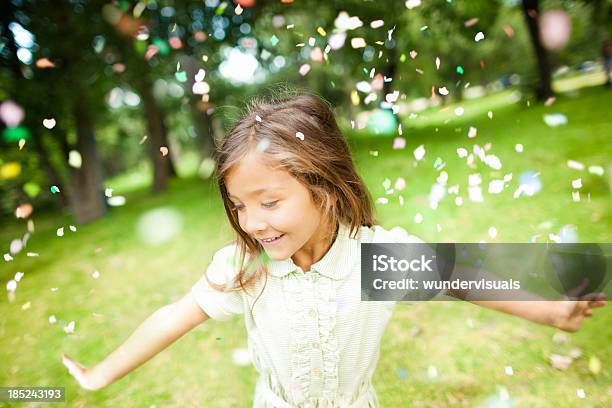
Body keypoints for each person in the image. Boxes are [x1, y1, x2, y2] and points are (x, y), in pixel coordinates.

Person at [62, 92, 607, 407]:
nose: (252, 222)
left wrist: (554, 309)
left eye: (269, 202)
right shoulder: (245, 268)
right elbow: (173, 316)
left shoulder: (375, 259)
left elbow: (467, 277)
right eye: (239, 206)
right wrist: (99, 374)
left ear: (323, 187)